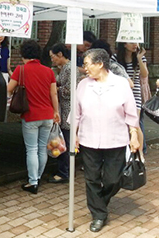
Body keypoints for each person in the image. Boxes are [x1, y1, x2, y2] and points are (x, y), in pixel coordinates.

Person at [74, 48, 139, 232]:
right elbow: (76, 113)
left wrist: (133, 135)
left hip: (116, 139)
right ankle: (99, 215)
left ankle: (99, 201)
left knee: (113, 179)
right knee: (91, 178)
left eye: (87, 64)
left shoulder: (120, 84)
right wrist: (74, 136)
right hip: (89, 139)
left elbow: (131, 113)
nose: (84, 68)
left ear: (99, 64)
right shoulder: (83, 85)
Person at [7, 40, 60, 194]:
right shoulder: (48, 71)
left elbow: (9, 89)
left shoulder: (20, 70)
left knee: (31, 149)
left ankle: (33, 182)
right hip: (48, 115)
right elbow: (54, 93)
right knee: (42, 148)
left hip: (30, 116)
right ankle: (37, 177)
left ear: (23, 54)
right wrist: (56, 111)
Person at [48, 43, 79, 183]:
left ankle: (64, 172)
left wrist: (54, 90)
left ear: (60, 54)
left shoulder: (69, 68)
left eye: (53, 56)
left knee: (65, 142)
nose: (52, 60)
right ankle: (67, 170)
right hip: (67, 109)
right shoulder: (66, 68)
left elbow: (69, 90)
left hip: (67, 110)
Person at [114, 42, 148, 157]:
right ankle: (127, 151)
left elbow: (144, 74)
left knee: (135, 123)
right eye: (131, 42)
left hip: (135, 93)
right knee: (123, 123)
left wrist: (139, 58)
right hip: (119, 92)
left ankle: (140, 154)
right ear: (124, 44)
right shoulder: (115, 57)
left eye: (136, 42)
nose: (135, 45)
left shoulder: (140, 57)